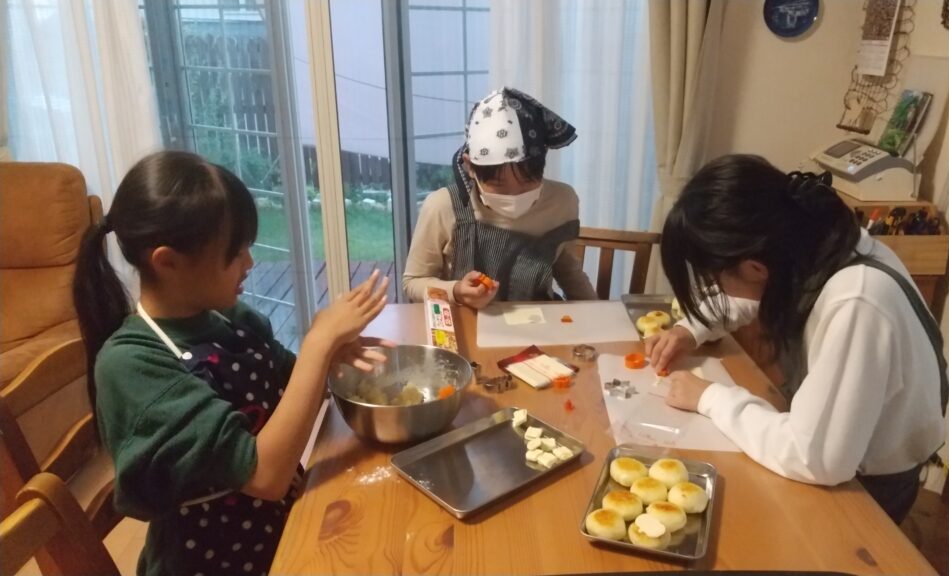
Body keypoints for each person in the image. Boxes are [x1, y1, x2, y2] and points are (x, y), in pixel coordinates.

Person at [72, 151, 391, 576]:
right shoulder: (131, 366)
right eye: (234, 252)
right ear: (167, 262)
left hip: (283, 530)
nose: (250, 263)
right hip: (211, 563)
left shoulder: (230, 319)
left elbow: (297, 398)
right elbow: (265, 476)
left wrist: (328, 358)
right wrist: (317, 346)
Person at [647, 154, 948, 523]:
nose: (717, 288)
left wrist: (709, 397)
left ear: (755, 267)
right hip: (849, 457)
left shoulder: (856, 302)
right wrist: (690, 329)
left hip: (868, 492)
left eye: (715, 278)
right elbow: (755, 296)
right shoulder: (825, 247)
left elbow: (816, 458)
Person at [402, 87, 597, 307]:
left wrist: (598, 314)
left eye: (528, 181)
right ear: (470, 167)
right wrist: (455, 291)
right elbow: (413, 281)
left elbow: (568, 271)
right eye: (498, 184)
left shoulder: (562, 201)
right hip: (466, 319)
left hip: (537, 320)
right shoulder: (442, 206)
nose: (515, 194)